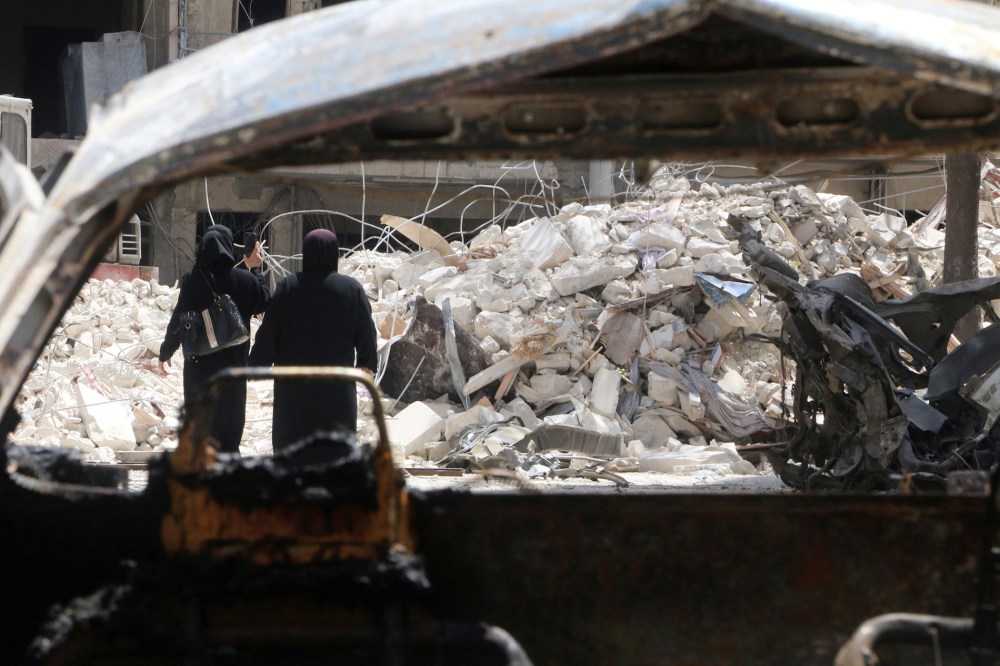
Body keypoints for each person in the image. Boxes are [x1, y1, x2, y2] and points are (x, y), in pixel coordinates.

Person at [249, 228, 377, 451]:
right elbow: (367, 333)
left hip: (294, 392)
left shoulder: (288, 287)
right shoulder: (352, 289)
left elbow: (269, 333)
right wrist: (366, 364)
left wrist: (256, 365)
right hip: (336, 390)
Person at [159, 225, 270, 453]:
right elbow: (266, 302)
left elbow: (179, 320)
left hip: (199, 370)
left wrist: (166, 351)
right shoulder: (244, 281)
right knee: (229, 432)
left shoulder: (191, 280)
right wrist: (254, 269)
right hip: (233, 370)